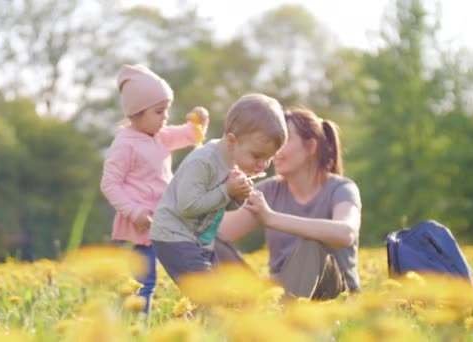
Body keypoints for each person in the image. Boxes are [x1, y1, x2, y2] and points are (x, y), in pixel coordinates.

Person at [215, 107, 362, 300]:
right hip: (276, 296)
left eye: (282, 142)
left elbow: (346, 234)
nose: (273, 151)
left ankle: (284, 319)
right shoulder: (267, 191)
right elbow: (217, 233)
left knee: (310, 248)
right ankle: (218, 313)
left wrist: (271, 218)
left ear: (310, 147)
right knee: (210, 242)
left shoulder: (341, 188)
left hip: (333, 297)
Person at [100, 64, 209, 313]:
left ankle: (201, 312)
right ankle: (135, 327)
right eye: (160, 111)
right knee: (142, 283)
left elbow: (190, 135)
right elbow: (110, 184)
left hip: (166, 223)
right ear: (136, 113)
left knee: (188, 270)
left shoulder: (159, 135)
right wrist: (134, 211)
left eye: (167, 110)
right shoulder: (125, 144)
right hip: (137, 227)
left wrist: (199, 120)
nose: (166, 117)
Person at [150, 93, 288, 284]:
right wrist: (227, 191)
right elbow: (187, 206)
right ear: (232, 140)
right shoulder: (202, 162)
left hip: (201, 241)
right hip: (174, 237)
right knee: (209, 295)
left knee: (219, 292)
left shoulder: (233, 163)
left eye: (269, 158)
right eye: (257, 156)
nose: (263, 165)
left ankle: (198, 313)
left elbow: (223, 206)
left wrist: (238, 196)